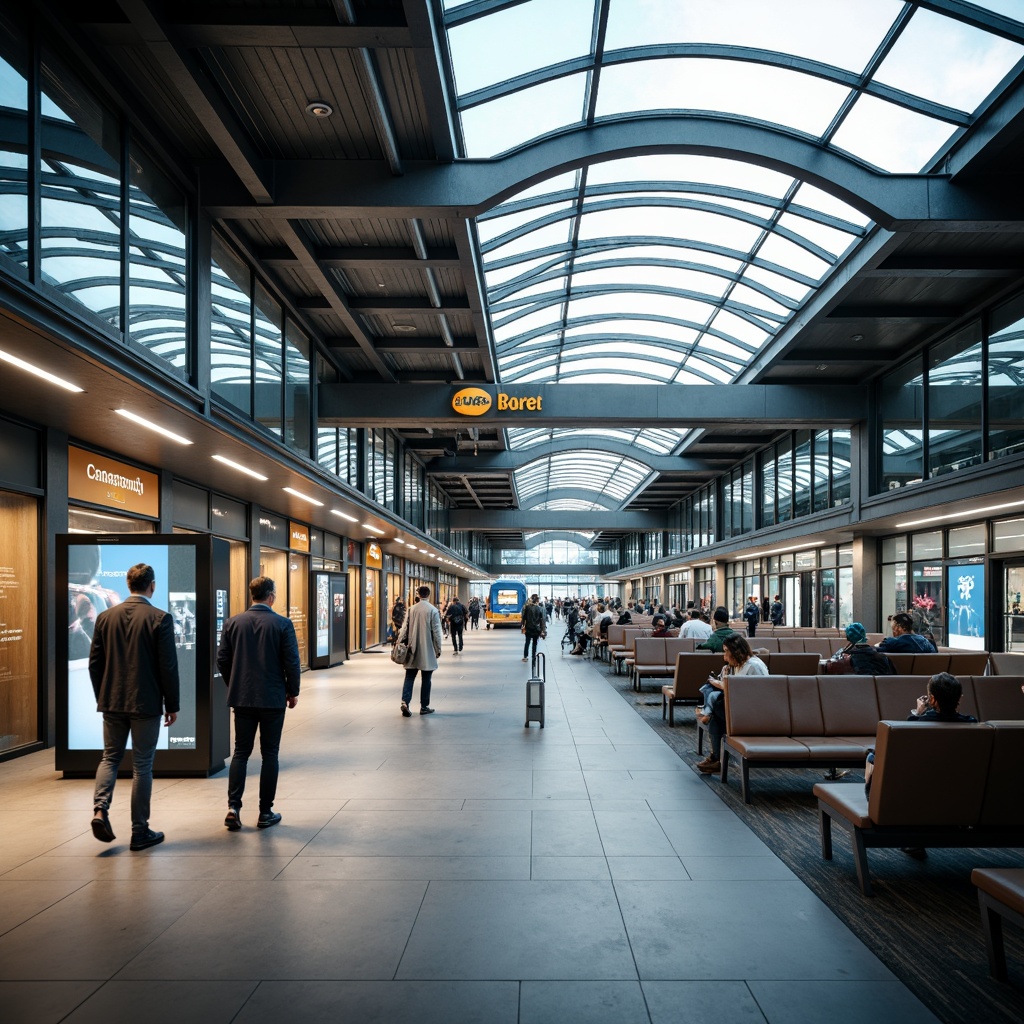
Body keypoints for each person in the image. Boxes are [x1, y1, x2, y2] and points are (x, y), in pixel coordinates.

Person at [89, 563, 179, 851]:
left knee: (110, 758)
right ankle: (140, 831)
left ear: (129, 585)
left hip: (112, 702)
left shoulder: (105, 617)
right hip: (146, 702)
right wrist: (172, 704)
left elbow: (95, 664)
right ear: (152, 585)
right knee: (142, 767)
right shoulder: (159, 618)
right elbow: (168, 667)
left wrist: (102, 696)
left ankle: (100, 809)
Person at [863, 672, 978, 859]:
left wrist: (917, 713)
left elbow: (900, 755)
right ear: (960, 699)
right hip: (959, 797)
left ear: (931, 699)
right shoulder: (973, 725)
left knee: (872, 758)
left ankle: (875, 800)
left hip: (917, 798)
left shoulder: (917, 724)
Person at [217, 576, 301, 830]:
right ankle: (265, 812)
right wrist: (292, 691)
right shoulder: (282, 624)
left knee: (241, 752)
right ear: (271, 596)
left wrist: (236, 682)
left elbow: (222, 659)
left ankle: (233, 808)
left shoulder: (233, 623)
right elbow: (292, 662)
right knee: (270, 754)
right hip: (273, 698)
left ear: (252, 595)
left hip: (242, 698)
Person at [696, 634, 768, 775]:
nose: (724, 656)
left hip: (754, 712)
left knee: (716, 709)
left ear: (736, 651)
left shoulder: (754, 666)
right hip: (740, 707)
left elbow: (761, 696)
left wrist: (725, 684)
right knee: (717, 708)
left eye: (726, 651)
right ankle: (717, 758)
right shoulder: (739, 665)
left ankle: (717, 758)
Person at [397, 585, 442, 716]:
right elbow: (437, 632)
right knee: (426, 679)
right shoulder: (433, 610)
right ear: (429, 594)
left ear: (418, 594)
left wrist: (399, 642)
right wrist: (438, 649)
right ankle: (424, 706)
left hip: (412, 648)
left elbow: (404, 628)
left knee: (409, 676)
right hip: (427, 650)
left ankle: (405, 702)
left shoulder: (411, 609)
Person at [825, 622, 897, 675]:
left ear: (848, 637)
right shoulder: (883, 658)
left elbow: (830, 664)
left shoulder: (844, 659)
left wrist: (845, 649)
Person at [521, 592, 546, 664]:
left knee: (527, 642)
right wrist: (542, 630)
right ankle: (533, 656)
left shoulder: (527, 608)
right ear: (537, 601)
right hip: (536, 629)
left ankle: (525, 656)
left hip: (528, 627)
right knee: (534, 643)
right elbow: (541, 620)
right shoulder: (539, 609)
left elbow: (524, 618)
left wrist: (522, 625)